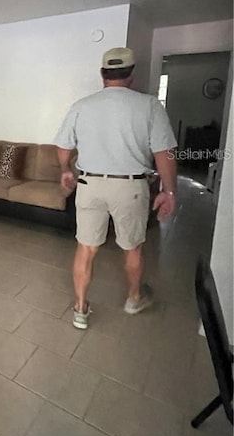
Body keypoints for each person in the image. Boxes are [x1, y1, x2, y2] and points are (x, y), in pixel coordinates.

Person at [54, 47, 178, 330]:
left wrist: (65, 170)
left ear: (102, 74)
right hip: (130, 188)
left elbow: (63, 147)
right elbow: (164, 153)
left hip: (89, 183)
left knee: (86, 248)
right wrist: (169, 191)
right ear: (131, 76)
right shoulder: (149, 105)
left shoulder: (82, 106)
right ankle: (134, 298)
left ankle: (80, 309)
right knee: (132, 247)